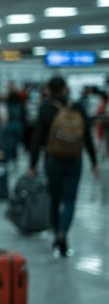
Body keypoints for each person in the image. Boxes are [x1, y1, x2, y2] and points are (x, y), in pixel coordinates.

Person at [28, 76, 99, 257]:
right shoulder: (77, 107)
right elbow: (87, 138)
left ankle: (55, 235)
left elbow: (37, 139)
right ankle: (63, 233)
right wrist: (94, 162)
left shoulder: (46, 109)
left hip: (53, 159)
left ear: (49, 90)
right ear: (66, 89)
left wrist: (32, 164)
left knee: (54, 199)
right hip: (74, 159)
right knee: (70, 201)